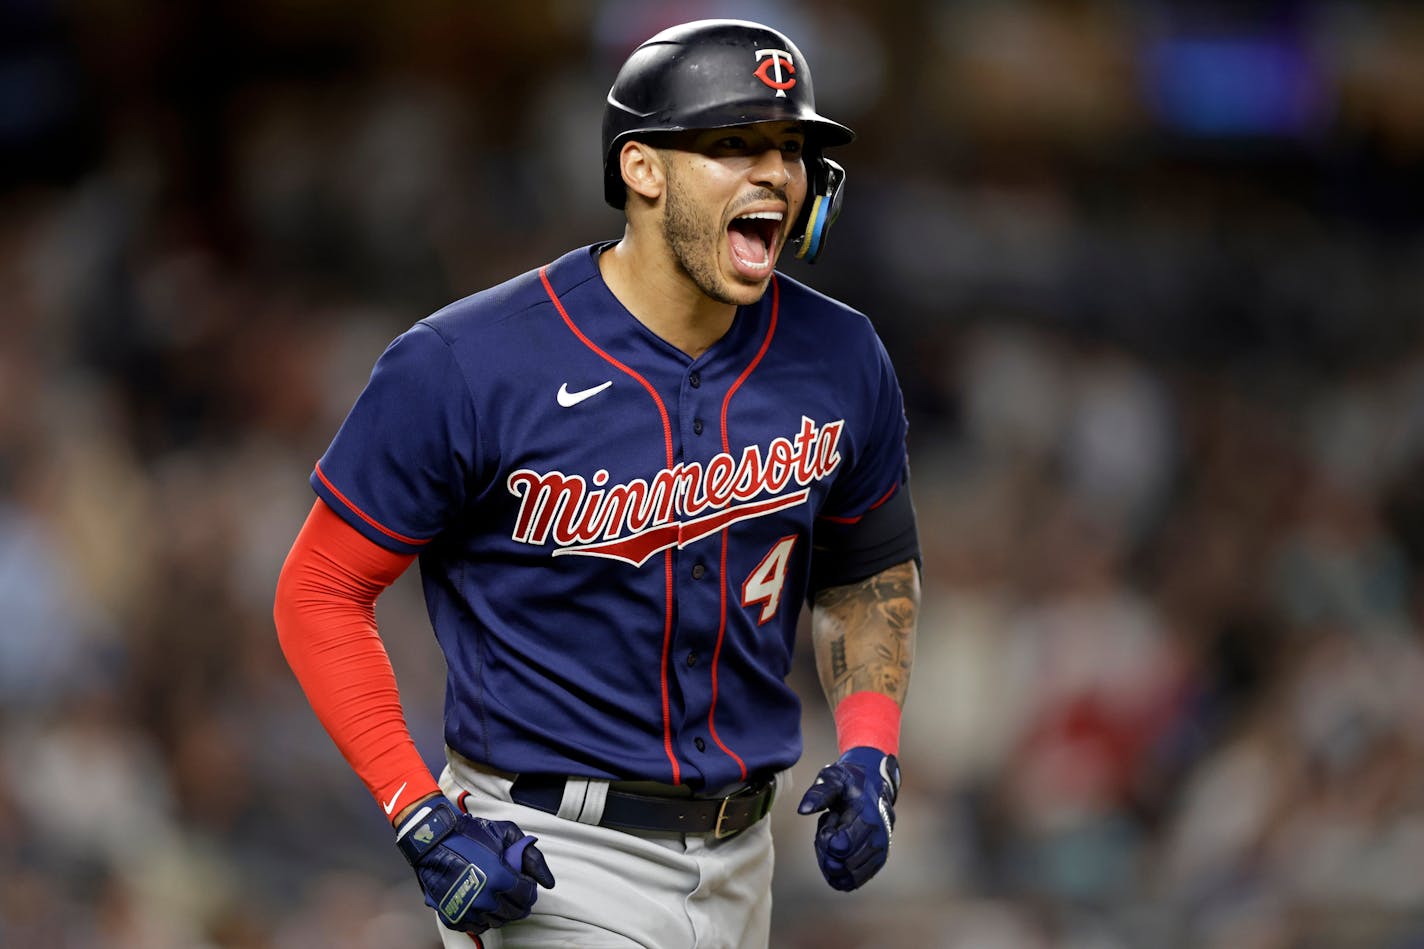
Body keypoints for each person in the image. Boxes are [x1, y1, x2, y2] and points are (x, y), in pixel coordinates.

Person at [273, 17, 920, 948]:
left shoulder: (841, 352)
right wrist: (415, 808)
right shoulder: (468, 361)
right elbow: (321, 589)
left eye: (789, 146)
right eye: (733, 143)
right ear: (642, 170)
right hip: (553, 852)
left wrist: (870, 747)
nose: (775, 171)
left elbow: (870, 568)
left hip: (746, 860)